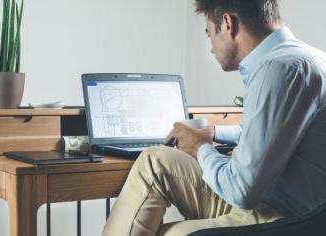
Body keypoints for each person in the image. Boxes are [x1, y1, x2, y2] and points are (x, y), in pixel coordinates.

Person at [101, 0, 326, 235]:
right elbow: (276, 133)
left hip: (283, 219)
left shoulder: (277, 68)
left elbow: (242, 191)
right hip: (284, 205)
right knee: (154, 160)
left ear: (227, 24)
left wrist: (200, 148)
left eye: (209, 33)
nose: (210, 46)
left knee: (168, 233)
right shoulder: (307, 59)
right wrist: (215, 133)